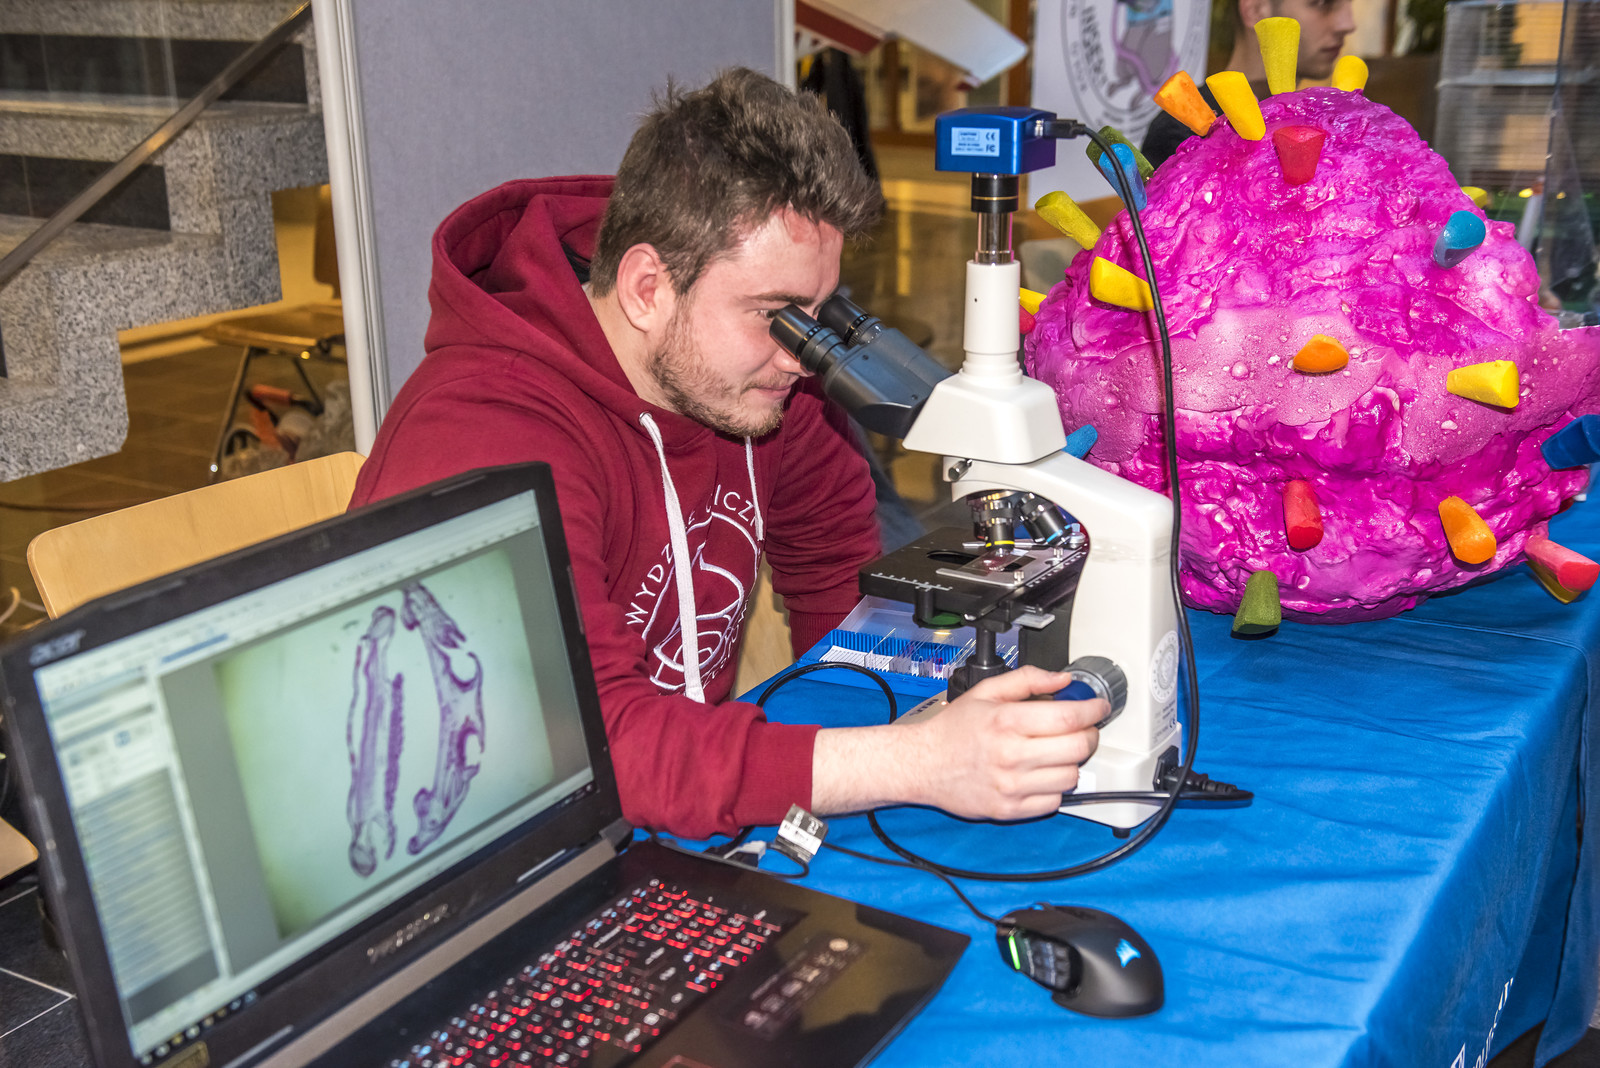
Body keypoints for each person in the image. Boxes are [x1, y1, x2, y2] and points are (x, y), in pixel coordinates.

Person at [349, 68, 1104, 838]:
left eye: (818, 313)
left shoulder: (754, 388)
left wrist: (918, 721)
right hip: (514, 848)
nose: (801, 356)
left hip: (679, 809)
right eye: (775, 315)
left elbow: (836, 566)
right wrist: (915, 761)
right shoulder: (483, 435)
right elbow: (590, 748)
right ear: (647, 287)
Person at [1141, 0, 1357, 167]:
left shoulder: (1327, 122)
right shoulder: (1181, 133)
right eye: (1322, 3)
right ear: (1256, 9)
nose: (1348, 24)